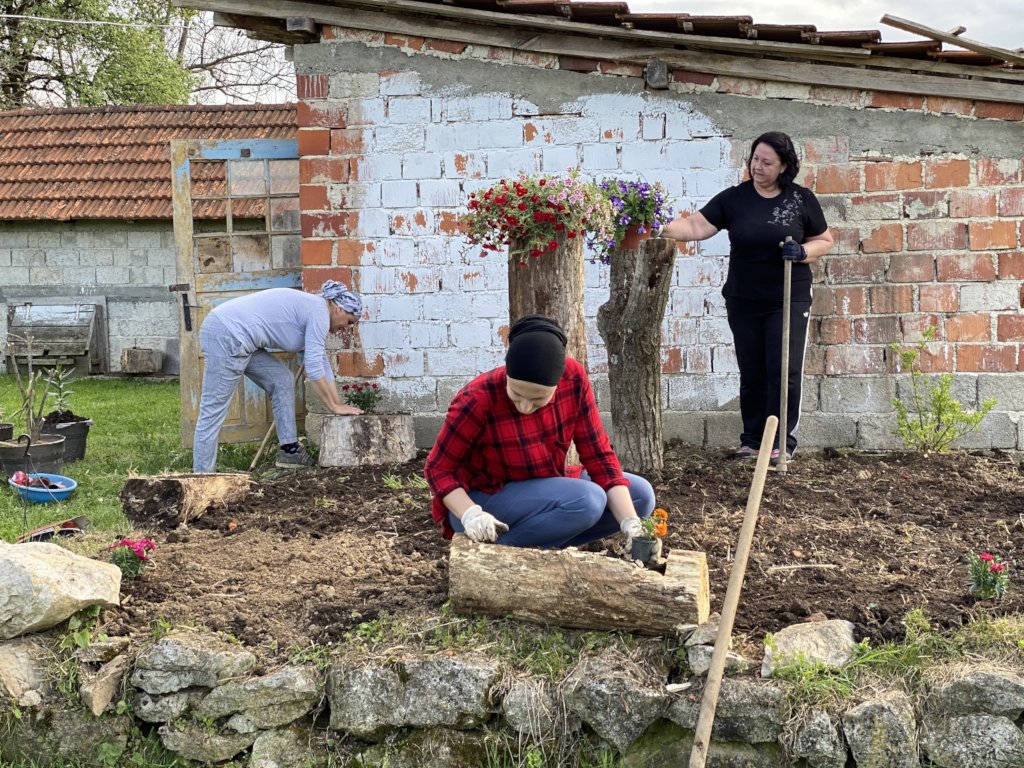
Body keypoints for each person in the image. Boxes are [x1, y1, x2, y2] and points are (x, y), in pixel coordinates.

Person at [661, 131, 834, 463]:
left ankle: (781, 441)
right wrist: (657, 226)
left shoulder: (800, 199)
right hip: (744, 297)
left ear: (784, 166)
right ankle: (752, 440)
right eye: (755, 159)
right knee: (752, 370)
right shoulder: (735, 199)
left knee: (782, 368)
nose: (758, 166)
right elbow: (696, 227)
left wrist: (802, 251)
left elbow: (824, 240)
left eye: (767, 162)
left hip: (788, 298)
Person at [424, 314, 655, 549]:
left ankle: (537, 546)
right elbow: (438, 468)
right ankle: (497, 555)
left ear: (557, 385)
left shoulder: (573, 380)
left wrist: (631, 525)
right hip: (484, 500)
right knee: (588, 501)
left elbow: (598, 455)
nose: (525, 407)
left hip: (545, 488)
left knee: (641, 497)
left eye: (537, 399)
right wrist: (471, 514)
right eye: (517, 394)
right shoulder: (477, 399)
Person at [192, 280, 364, 472]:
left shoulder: (317, 309)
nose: (347, 329)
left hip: (244, 341)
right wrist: (334, 406)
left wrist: (338, 404)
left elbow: (321, 361)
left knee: (281, 379)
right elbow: (314, 368)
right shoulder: (320, 312)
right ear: (340, 309)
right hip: (226, 333)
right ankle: (202, 476)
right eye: (349, 322)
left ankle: (289, 451)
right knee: (213, 410)